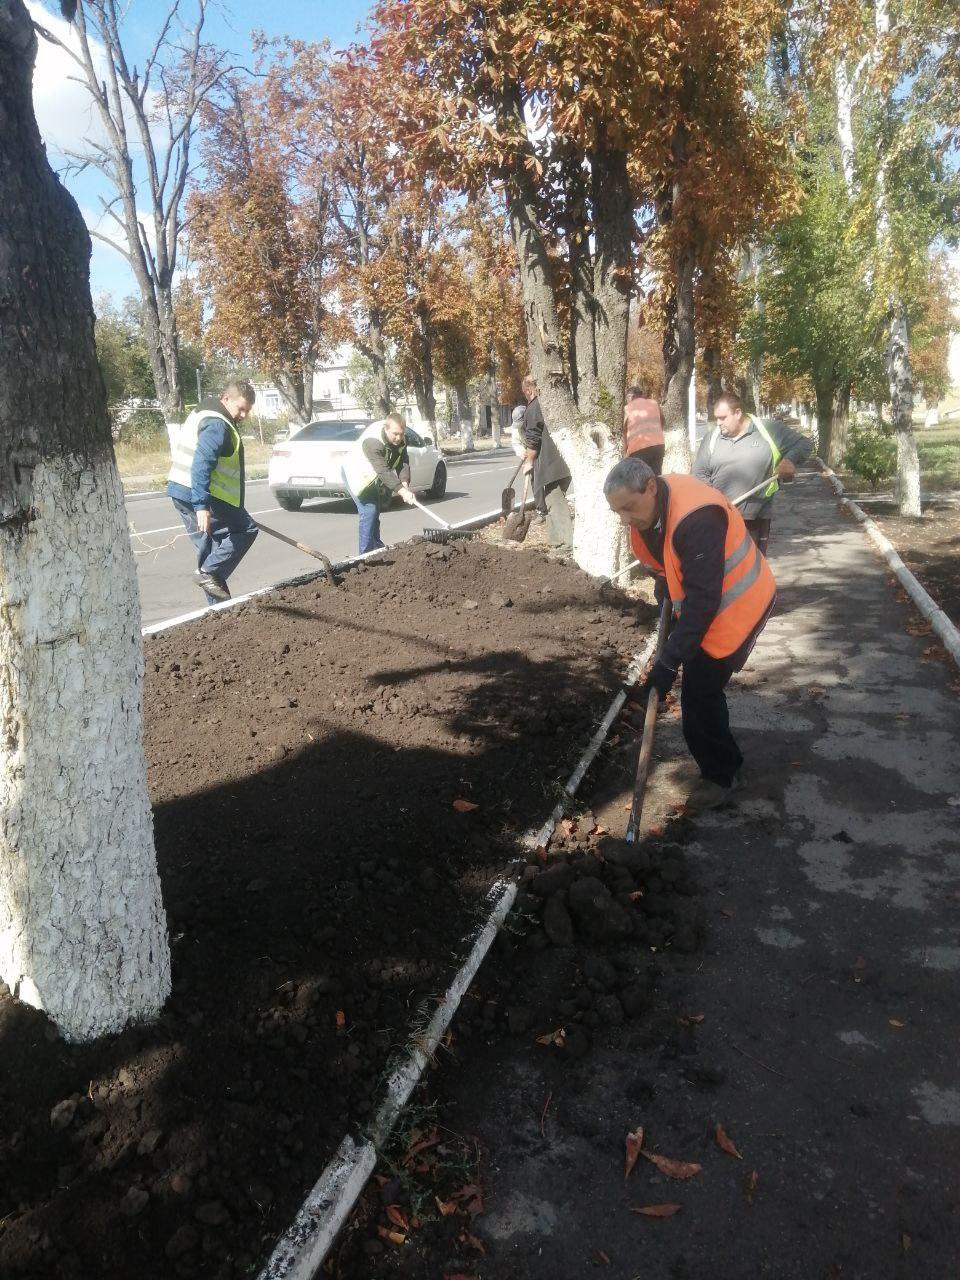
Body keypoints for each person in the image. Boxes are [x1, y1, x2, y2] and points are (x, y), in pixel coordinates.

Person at [604, 457, 776, 814]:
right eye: (617, 512)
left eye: (628, 508)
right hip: (708, 602)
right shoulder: (648, 514)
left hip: (740, 605)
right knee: (698, 688)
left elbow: (703, 602)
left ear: (650, 486)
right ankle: (727, 764)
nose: (623, 520)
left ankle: (722, 776)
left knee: (700, 692)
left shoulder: (696, 518)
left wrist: (667, 663)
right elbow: (666, 573)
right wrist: (664, 594)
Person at [167, 378, 258, 604]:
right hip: (197, 494)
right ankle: (209, 575)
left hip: (180, 490)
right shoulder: (218, 424)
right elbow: (202, 462)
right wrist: (201, 506)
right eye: (241, 409)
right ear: (226, 399)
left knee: (210, 554)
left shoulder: (203, 411)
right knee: (245, 529)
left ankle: (220, 610)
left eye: (248, 411)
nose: (244, 415)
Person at [692, 393, 813, 555]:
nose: (718, 423)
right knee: (719, 572)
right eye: (717, 418)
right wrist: (716, 502)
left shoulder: (768, 430)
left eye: (723, 418)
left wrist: (789, 461)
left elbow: (804, 444)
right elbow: (699, 473)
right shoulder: (712, 438)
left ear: (738, 413)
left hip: (754, 519)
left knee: (751, 573)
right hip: (719, 518)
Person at [341, 412, 417, 554]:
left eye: (401, 434)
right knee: (369, 511)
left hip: (371, 477)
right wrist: (401, 490)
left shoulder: (401, 439)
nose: (399, 437)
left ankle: (376, 548)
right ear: (386, 429)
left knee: (375, 511)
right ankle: (364, 555)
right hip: (356, 475)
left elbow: (403, 462)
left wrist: (405, 483)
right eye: (395, 434)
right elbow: (383, 470)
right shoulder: (373, 442)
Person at [521, 374, 573, 557]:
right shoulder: (552, 403)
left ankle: (566, 545)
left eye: (525, 392)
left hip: (551, 462)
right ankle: (555, 542)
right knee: (551, 501)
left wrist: (529, 462)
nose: (526, 396)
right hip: (563, 460)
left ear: (529, 389)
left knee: (555, 502)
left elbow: (533, 438)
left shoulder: (534, 407)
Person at [623, 386, 665, 475]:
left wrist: (625, 450)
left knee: (640, 479)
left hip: (638, 448)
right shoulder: (654, 404)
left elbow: (624, 431)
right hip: (658, 446)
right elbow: (662, 421)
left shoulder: (627, 409)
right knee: (656, 476)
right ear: (642, 395)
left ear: (629, 397)